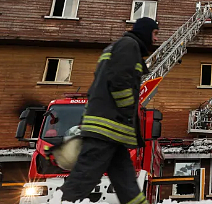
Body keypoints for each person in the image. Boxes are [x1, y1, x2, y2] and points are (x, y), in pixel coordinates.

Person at [59, 17, 159, 204]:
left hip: (111, 131)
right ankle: (66, 201)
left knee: (126, 182)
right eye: (154, 33)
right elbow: (119, 81)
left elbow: (97, 88)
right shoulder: (129, 46)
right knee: (86, 174)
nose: (155, 39)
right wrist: (128, 110)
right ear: (145, 32)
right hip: (107, 128)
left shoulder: (117, 48)